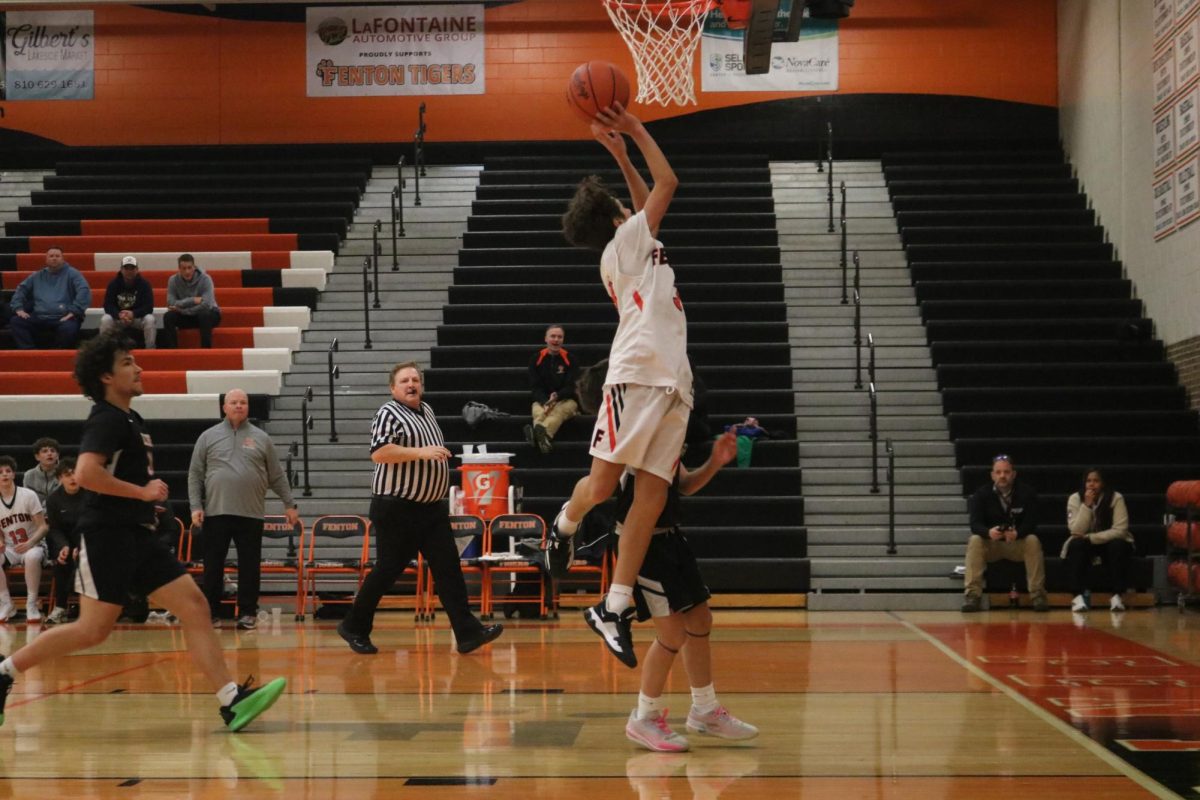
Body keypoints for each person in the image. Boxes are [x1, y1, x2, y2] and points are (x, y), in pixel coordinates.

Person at [0, 332, 286, 731]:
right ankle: (5, 672)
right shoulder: (107, 418)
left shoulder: (131, 418)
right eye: (128, 363)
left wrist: (143, 497)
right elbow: (85, 473)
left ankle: (231, 700)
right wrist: (142, 491)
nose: (138, 368)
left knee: (195, 606)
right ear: (105, 377)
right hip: (107, 537)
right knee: (91, 630)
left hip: (138, 535)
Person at [548, 102, 689, 669]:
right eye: (621, 207)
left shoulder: (629, 242)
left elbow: (638, 198)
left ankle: (615, 604)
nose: (631, 207)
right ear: (614, 218)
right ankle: (563, 522)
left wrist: (618, 154)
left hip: (673, 378)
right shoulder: (626, 243)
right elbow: (668, 182)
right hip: (635, 372)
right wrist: (633, 128)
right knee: (604, 487)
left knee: (651, 498)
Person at [574, 361, 757, 752]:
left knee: (701, 618)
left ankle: (705, 710)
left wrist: (715, 462)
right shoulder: (627, 438)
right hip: (643, 546)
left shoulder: (662, 430)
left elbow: (685, 485)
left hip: (672, 537)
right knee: (671, 633)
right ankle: (644, 716)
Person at [336, 362, 503, 657]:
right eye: (404, 380)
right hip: (397, 507)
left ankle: (467, 633)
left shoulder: (426, 410)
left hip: (430, 509)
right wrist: (421, 453)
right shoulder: (388, 412)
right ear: (393, 388)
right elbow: (379, 452)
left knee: (448, 568)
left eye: (415, 379)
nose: (411, 384)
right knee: (389, 569)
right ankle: (354, 626)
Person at [189, 388, 299, 630]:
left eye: (243, 402)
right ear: (224, 407)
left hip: (250, 514)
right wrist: (196, 506)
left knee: (250, 566)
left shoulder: (262, 438)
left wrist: (289, 504)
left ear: (248, 407)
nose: (239, 406)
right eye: (234, 402)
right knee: (213, 567)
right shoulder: (207, 437)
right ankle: (211, 614)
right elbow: (195, 474)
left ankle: (248, 613)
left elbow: (277, 475)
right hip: (216, 513)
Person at [961, 455, 1047, 613]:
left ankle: (1038, 595)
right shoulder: (981, 494)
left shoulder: (1027, 493)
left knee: (1033, 540)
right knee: (975, 540)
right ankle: (973, 595)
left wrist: (1018, 533)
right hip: (992, 545)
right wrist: (988, 532)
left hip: (1015, 543)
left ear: (1013, 474)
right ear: (992, 475)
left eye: (1006, 472)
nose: (1002, 476)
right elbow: (975, 524)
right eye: (998, 472)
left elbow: (1032, 522)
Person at [1063, 468, 1135, 613]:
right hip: (1085, 543)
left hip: (1108, 541)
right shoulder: (1075, 498)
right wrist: (1087, 506)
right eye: (1089, 481)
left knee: (1118, 545)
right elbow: (1076, 531)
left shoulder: (1116, 498)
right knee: (1076, 545)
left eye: (1096, 481)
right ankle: (1077, 597)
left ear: (1103, 483)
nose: (1092, 485)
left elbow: (1120, 530)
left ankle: (1117, 596)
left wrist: (1091, 538)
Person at [7, 246, 91, 350]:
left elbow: (84, 290)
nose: (54, 258)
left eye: (57, 256)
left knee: (68, 328)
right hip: (40, 316)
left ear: (63, 259)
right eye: (51, 256)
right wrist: (18, 308)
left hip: (64, 317)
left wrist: (74, 311)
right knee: (16, 321)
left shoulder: (73, 274)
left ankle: (56, 354)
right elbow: (21, 289)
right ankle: (30, 352)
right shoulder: (36, 276)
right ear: (46, 259)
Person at [0, 456, 48, 623]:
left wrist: (30, 542)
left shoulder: (28, 495)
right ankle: (6, 604)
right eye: (0, 472)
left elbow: (43, 527)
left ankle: (31, 604)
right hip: (10, 548)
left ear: (14, 474)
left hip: (34, 544)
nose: (4, 474)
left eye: (8, 471)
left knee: (31, 556)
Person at [524, 324, 579, 455]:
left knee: (558, 411)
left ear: (563, 340)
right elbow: (535, 386)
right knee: (537, 409)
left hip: (565, 400)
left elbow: (572, 386)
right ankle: (543, 437)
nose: (556, 339)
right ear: (546, 339)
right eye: (553, 336)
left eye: (559, 337)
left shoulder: (571, 359)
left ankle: (540, 431)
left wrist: (557, 397)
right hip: (544, 399)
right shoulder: (536, 359)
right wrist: (545, 402)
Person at [44, 458, 84, 625]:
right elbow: (54, 528)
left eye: (75, 473)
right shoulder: (53, 499)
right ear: (60, 478)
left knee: (86, 561)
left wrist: (81, 546)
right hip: (64, 541)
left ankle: (86, 609)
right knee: (62, 561)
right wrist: (64, 546)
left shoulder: (91, 495)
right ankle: (60, 607)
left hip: (88, 540)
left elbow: (95, 525)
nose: (72, 478)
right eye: (67, 475)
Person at [163, 254, 221, 349]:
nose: (187, 271)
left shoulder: (205, 279)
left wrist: (182, 309)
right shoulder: (173, 280)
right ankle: (172, 352)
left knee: (204, 314)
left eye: (189, 268)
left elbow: (207, 304)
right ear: (179, 269)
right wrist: (193, 300)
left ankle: (206, 351)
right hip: (186, 315)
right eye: (184, 268)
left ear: (194, 267)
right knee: (168, 317)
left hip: (207, 314)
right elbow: (170, 303)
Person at [100, 256, 156, 349]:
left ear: (137, 269)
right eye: (126, 268)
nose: (129, 271)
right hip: (119, 318)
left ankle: (150, 350)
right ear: (121, 270)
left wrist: (133, 314)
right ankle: (104, 350)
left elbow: (149, 307)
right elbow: (107, 305)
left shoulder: (145, 284)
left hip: (137, 318)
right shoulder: (113, 284)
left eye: (132, 268)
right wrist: (119, 315)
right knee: (106, 319)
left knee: (150, 319)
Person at [21, 437, 61, 506]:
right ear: (37, 457)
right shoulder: (29, 476)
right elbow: (28, 501)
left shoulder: (64, 474)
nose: (49, 454)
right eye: (45, 451)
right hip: (36, 514)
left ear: (57, 455)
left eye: (52, 451)